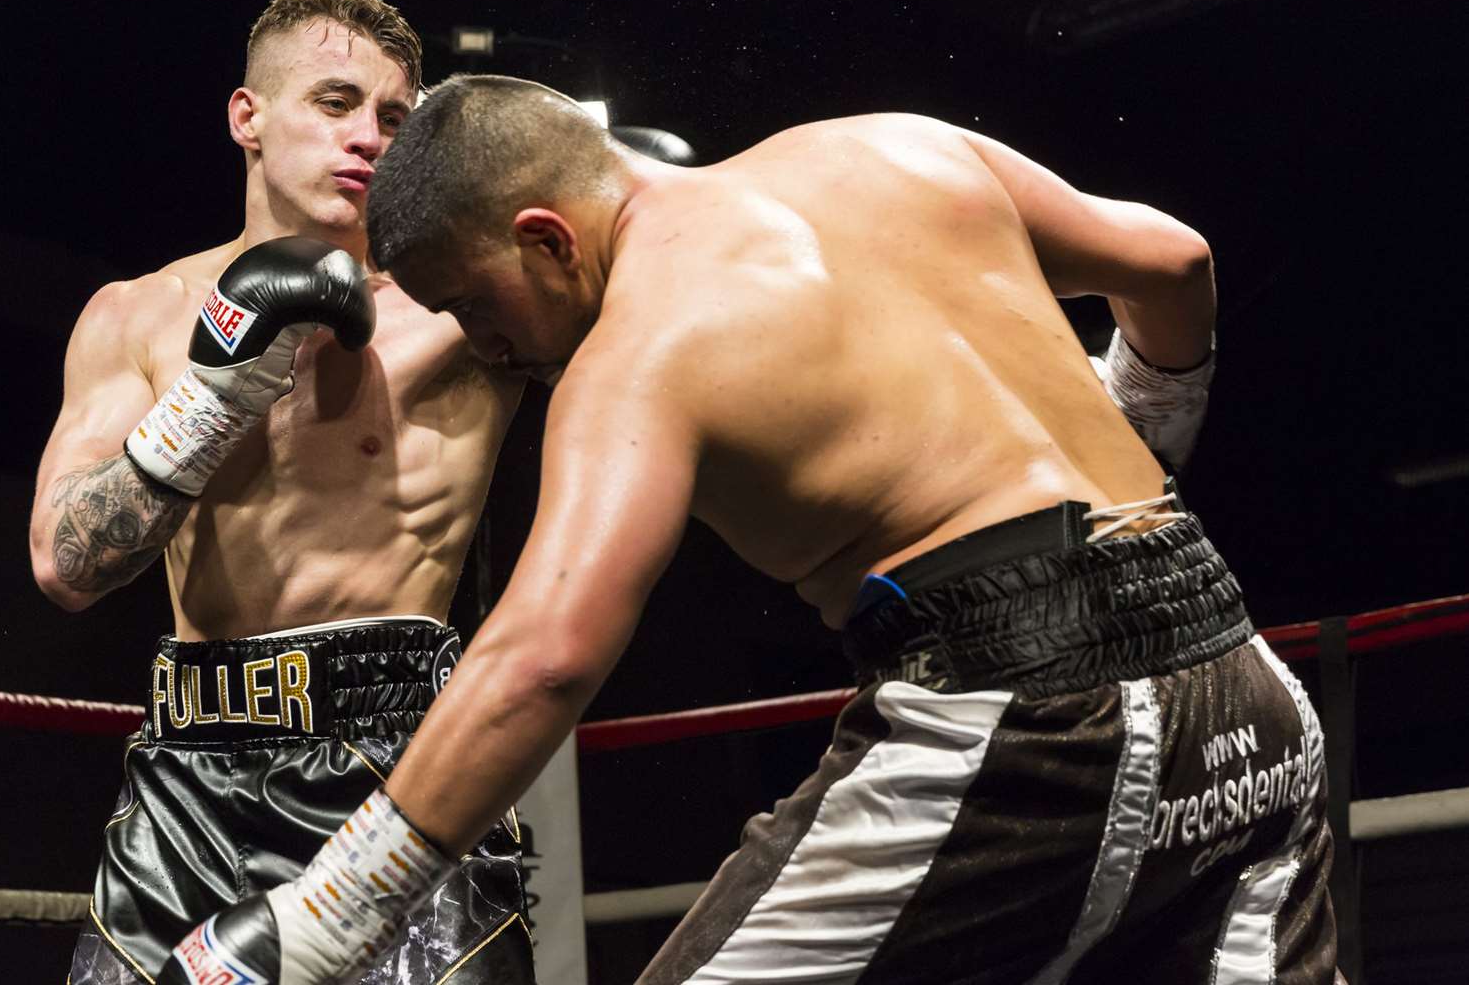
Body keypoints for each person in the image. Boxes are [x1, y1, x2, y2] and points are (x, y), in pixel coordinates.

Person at [157, 74, 1341, 985]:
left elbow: (544, 656)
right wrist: (1150, 423)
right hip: (1245, 685)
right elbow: (1174, 262)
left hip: (1025, 716)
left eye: (474, 301)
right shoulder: (895, 144)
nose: (482, 343)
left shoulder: (643, 348)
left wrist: (327, 919)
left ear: (547, 236)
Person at [28, 0, 535, 984]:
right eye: (336, 101)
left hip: (401, 776)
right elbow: (63, 565)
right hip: (184, 790)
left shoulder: (466, 307)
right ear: (246, 117)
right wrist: (213, 400)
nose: (370, 138)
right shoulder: (135, 318)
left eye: (395, 117)